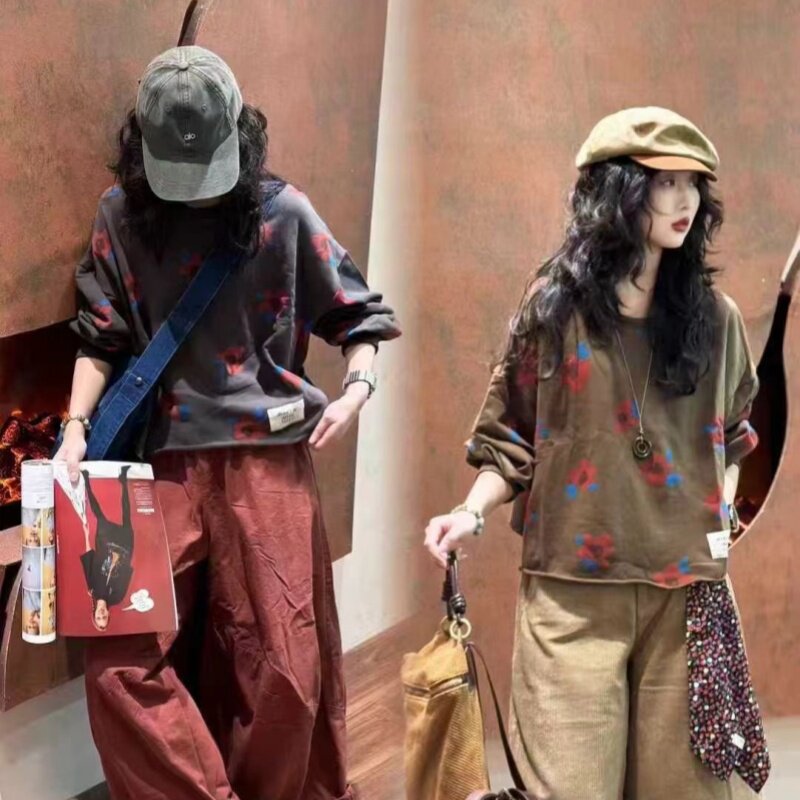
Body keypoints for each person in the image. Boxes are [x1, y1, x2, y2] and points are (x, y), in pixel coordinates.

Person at [54, 45, 400, 800]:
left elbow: (360, 317)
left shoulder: (283, 213)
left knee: (285, 671)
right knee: (118, 661)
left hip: (266, 460)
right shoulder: (121, 216)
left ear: (239, 136)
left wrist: (358, 389)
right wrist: (75, 427)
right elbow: (101, 338)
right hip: (152, 466)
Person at [425, 107, 768, 799]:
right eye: (663, 182)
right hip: (571, 593)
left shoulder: (715, 320)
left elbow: (735, 435)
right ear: (618, 192)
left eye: (693, 183)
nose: (684, 199)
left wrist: (720, 510)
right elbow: (509, 439)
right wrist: (471, 512)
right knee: (569, 789)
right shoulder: (554, 315)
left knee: (687, 794)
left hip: (687, 599)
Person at [79, 465, 134, 631]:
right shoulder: (117, 598)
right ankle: (123, 479)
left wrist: (86, 534)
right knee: (127, 515)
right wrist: (120, 557)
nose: (101, 614)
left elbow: (89, 556)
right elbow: (127, 570)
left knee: (99, 515)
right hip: (124, 550)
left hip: (105, 544)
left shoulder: (92, 589)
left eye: (98, 617)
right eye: (104, 618)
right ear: (109, 615)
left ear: (94, 613)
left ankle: (86, 480)